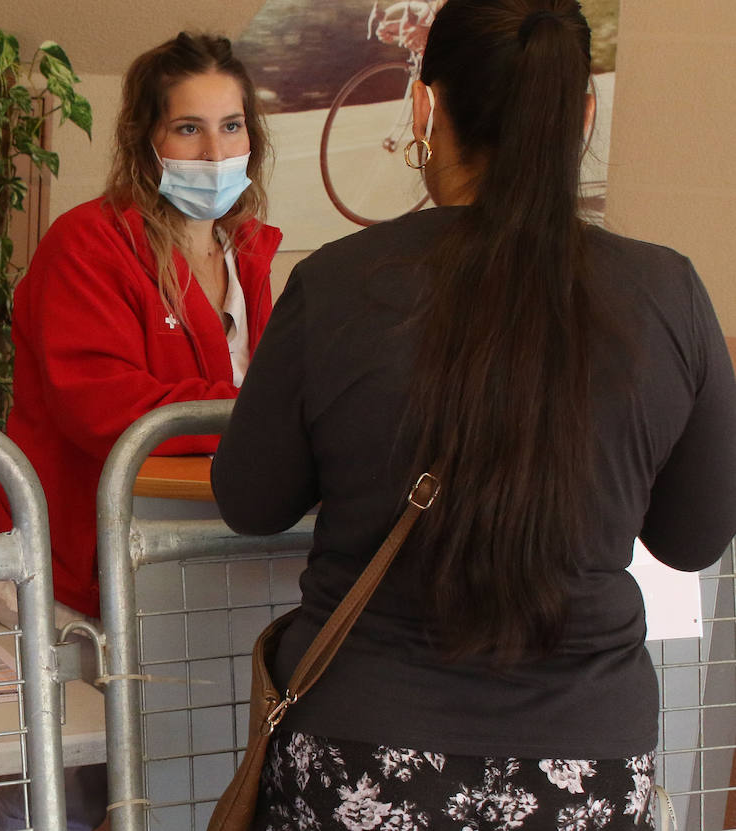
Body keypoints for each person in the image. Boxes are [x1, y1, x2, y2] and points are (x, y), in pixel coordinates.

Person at [211, 1, 736, 829]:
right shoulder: (667, 294)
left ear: (426, 106)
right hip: (587, 766)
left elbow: (250, 499)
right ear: (581, 115)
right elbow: (695, 536)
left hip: (362, 754)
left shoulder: (342, 284)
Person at [0, 31, 283, 831]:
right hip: (72, 563)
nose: (216, 149)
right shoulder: (87, 244)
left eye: (233, 125)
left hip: (179, 566)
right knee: (61, 791)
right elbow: (106, 408)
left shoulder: (246, 251)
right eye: (189, 128)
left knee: (165, 777)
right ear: (146, 139)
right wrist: (259, 415)